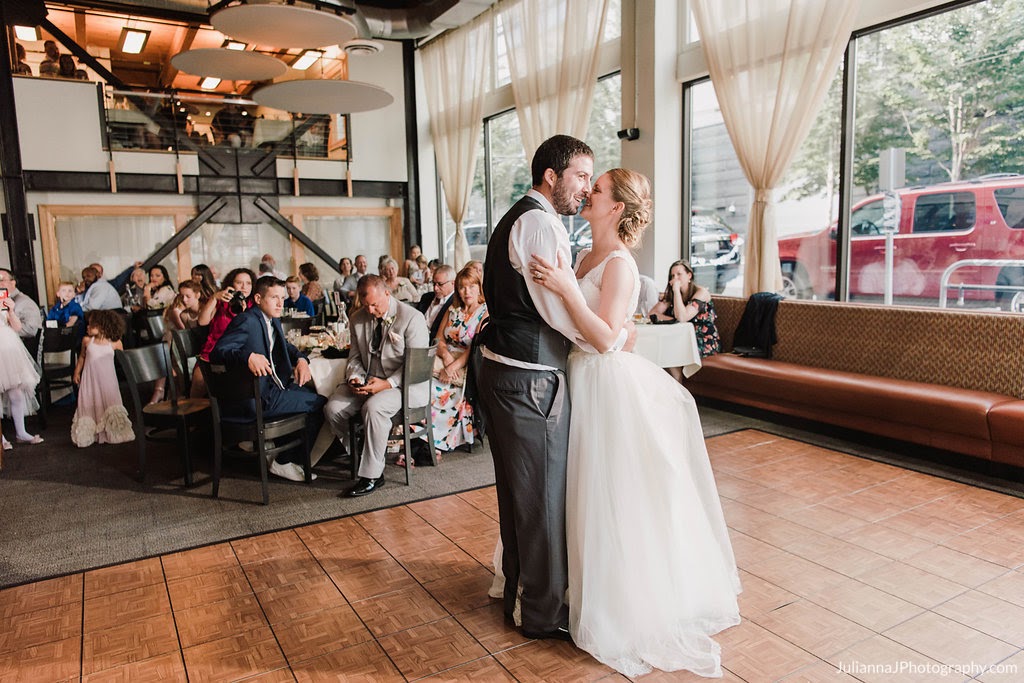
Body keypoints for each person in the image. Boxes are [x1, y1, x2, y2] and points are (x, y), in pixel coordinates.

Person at [529, 168, 740, 677]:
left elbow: (604, 337)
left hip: (605, 384)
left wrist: (568, 290)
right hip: (577, 375)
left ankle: (619, 602)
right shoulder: (584, 256)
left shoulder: (621, 265)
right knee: (573, 488)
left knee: (609, 492)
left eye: (596, 190)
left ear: (616, 208)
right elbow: (605, 329)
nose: (586, 194)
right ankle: (573, 583)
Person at [475, 134, 627, 642]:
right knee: (539, 499)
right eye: (582, 176)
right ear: (552, 176)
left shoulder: (521, 216)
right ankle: (541, 614)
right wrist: (608, 338)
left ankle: (522, 594)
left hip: (506, 370)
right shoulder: (541, 224)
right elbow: (558, 316)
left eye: (592, 181)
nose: (585, 187)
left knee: (520, 494)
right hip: (528, 378)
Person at [211, 276, 326, 482]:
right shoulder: (247, 320)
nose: (281, 303)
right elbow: (218, 352)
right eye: (274, 298)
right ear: (257, 298)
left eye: (282, 298)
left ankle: (277, 446)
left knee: (313, 393)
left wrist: (301, 359)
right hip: (256, 398)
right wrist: (247, 356)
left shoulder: (270, 319)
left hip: (271, 389)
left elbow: (287, 347)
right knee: (320, 404)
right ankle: (284, 461)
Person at [324, 275, 428, 497]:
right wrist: (355, 377)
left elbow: (415, 367)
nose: (370, 310)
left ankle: (372, 475)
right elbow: (354, 358)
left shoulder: (412, 318)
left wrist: (386, 384)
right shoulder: (357, 318)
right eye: (366, 305)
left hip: (404, 386)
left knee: (373, 408)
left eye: (375, 304)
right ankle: (363, 454)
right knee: (332, 409)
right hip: (369, 381)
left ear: (387, 293)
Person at [428, 265, 487, 455]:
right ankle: (421, 437)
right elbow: (438, 339)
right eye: (462, 287)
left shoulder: (485, 311)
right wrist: (445, 357)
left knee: (434, 391)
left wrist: (452, 366)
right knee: (420, 385)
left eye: (471, 286)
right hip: (443, 359)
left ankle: (434, 440)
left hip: (467, 363)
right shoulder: (453, 309)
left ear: (479, 287)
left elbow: (474, 348)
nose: (466, 291)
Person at [71, 310, 134, 447]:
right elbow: (82, 357)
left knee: (108, 401)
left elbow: (124, 360)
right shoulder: (87, 341)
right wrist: (77, 372)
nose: (87, 327)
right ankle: (91, 433)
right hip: (90, 380)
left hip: (107, 381)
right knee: (89, 401)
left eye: (91, 325)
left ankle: (113, 431)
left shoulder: (115, 343)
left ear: (102, 326)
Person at [650, 259, 720, 377]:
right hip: (681, 338)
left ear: (689, 275)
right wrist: (673, 320)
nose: (675, 278)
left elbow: (682, 317)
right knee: (657, 348)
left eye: (679, 274)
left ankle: (678, 392)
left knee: (670, 352)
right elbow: (653, 313)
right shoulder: (672, 295)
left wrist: (676, 290)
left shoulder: (701, 293)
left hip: (704, 340)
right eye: (672, 275)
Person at [0, 284, 43, 450]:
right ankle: (1, 437)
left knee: (16, 392)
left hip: (10, 348)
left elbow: (17, 328)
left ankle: (21, 432)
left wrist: (10, 311)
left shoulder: (5, 301)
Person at [416, 264, 455, 341]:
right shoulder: (426, 297)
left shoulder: (456, 303)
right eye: (434, 283)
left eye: (440, 284)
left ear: (453, 283)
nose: (435, 288)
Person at [0, 269, 42, 340]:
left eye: (1, 280)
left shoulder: (24, 301)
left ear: (13, 283)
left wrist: (5, 331)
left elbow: (30, 330)